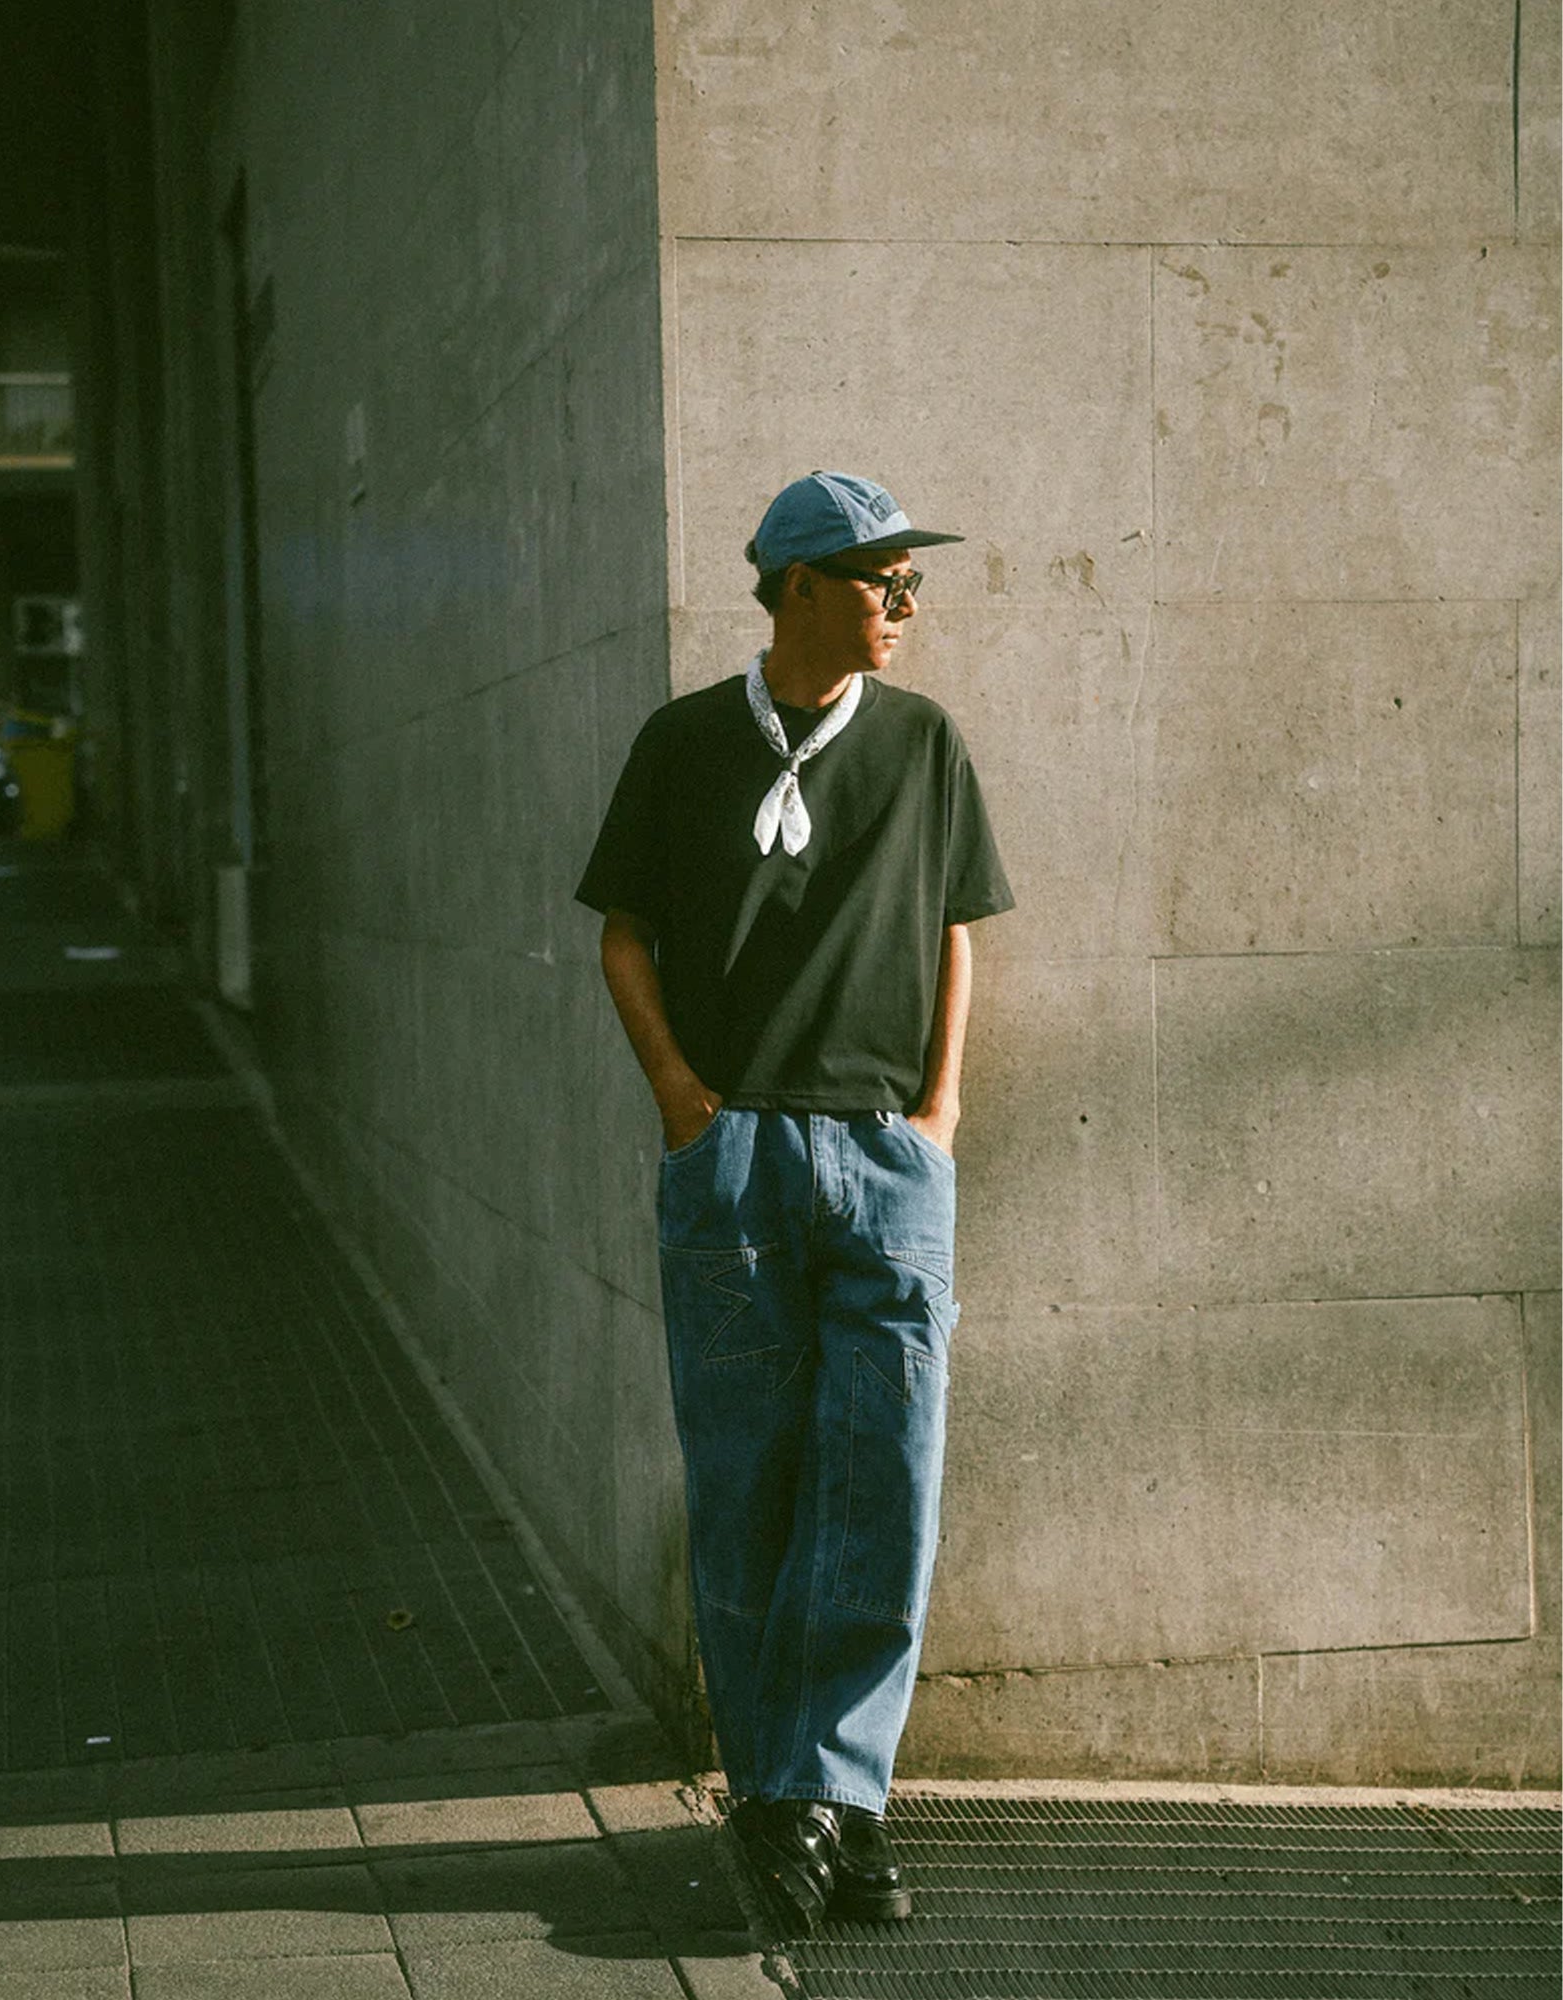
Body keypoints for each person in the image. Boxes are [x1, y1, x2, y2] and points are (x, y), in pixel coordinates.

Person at [575, 470, 1014, 1933]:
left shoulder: (924, 745)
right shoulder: (688, 741)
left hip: (888, 1156)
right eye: (883, 577)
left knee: (886, 1482)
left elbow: (957, 932)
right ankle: (783, 1798)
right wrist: (685, 1107)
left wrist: (938, 1117)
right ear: (803, 587)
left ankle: (839, 1796)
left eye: (910, 580)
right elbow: (623, 938)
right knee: (752, 1479)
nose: (905, 603)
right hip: (738, 1159)